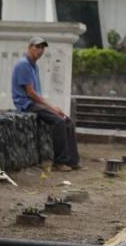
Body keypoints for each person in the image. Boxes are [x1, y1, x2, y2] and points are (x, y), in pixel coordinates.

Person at [12, 37, 80, 171]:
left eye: (43, 47)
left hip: (34, 103)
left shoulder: (34, 66)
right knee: (59, 121)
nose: (40, 50)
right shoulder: (23, 64)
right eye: (37, 47)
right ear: (30, 47)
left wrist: (52, 108)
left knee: (67, 120)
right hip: (26, 104)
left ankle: (72, 161)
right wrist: (51, 107)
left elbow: (36, 94)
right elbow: (31, 93)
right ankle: (58, 162)